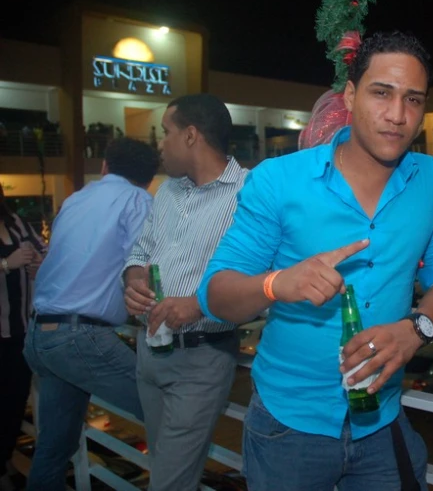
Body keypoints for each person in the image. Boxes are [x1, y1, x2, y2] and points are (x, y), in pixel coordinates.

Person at [197, 31, 433, 491]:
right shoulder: (279, 180)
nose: (398, 115)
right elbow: (215, 294)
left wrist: (415, 330)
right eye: (381, 93)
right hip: (289, 428)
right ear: (350, 94)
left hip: (382, 423)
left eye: (413, 100)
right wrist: (276, 284)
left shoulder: (432, 179)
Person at [122, 93, 248, 491]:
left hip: (201, 358)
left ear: (191, 135)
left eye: (165, 132)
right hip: (149, 351)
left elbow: (259, 280)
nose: (160, 143)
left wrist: (199, 305)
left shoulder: (248, 193)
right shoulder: (167, 192)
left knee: (169, 483)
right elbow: (139, 252)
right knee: (166, 470)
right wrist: (135, 280)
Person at [23, 137, 158, 491]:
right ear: (148, 178)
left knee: (53, 450)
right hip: (78, 338)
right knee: (166, 411)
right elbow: (145, 267)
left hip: (40, 335)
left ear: (104, 167)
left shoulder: (76, 198)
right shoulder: (138, 200)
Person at [0, 185, 45, 491]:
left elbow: (44, 250)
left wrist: (38, 262)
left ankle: (3, 460)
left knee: (14, 405)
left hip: (22, 333)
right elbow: (10, 262)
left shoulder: (16, 222)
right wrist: (6, 264)